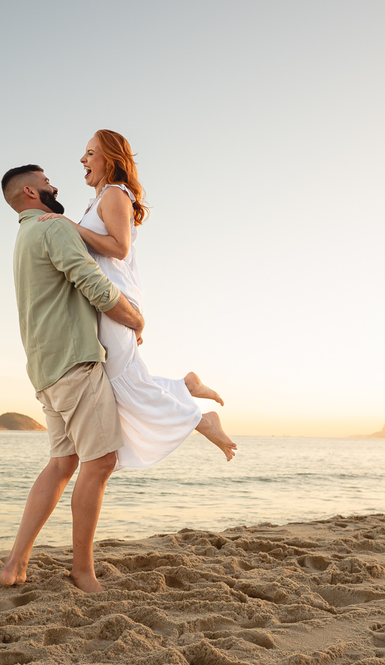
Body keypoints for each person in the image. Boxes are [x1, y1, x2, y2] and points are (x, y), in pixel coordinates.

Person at [37, 130, 237, 467]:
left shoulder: (115, 193)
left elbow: (119, 247)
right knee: (119, 380)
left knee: (120, 381)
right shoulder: (98, 199)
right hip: (102, 298)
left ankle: (202, 421)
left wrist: (69, 226)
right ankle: (185, 385)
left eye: (90, 153)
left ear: (109, 158)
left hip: (115, 296)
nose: (83, 160)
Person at [0, 164, 146, 593]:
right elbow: (93, 285)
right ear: (30, 191)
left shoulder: (24, 236)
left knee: (63, 463)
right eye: (47, 183)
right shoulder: (53, 229)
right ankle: (82, 570)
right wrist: (135, 318)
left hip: (44, 368)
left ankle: (15, 564)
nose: (55, 186)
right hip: (74, 362)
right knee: (100, 462)